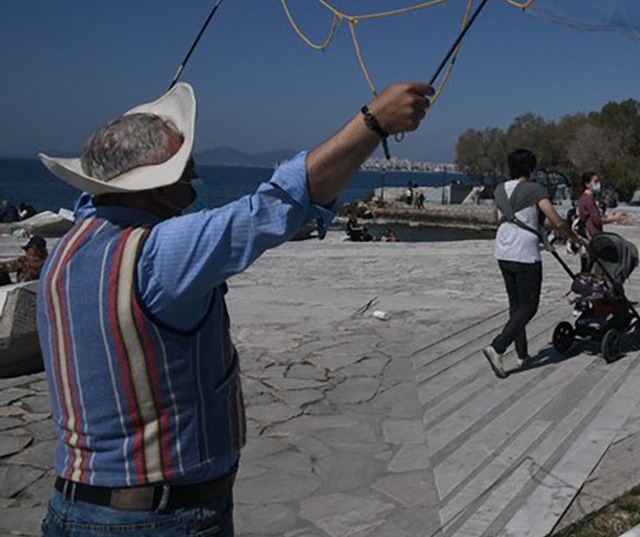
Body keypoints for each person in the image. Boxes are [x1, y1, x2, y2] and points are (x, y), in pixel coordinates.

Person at [34, 80, 432, 536]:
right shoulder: (157, 255)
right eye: (187, 172)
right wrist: (374, 123)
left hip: (72, 507)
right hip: (157, 519)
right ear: (160, 188)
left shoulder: (67, 250)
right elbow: (277, 205)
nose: (194, 181)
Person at [486, 150, 583, 379]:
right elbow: (556, 220)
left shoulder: (500, 189)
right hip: (525, 252)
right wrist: (574, 238)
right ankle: (497, 347)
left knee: (516, 306)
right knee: (529, 306)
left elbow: (495, 218)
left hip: (503, 250)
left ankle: (522, 355)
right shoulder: (535, 189)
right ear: (531, 168)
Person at [576, 172, 626, 241]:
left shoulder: (589, 198)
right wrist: (615, 218)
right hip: (592, 236)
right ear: (587, 184)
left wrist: (611, 216)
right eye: (595, 181)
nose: (598, 184)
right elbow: (597, 220)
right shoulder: (587, 199)